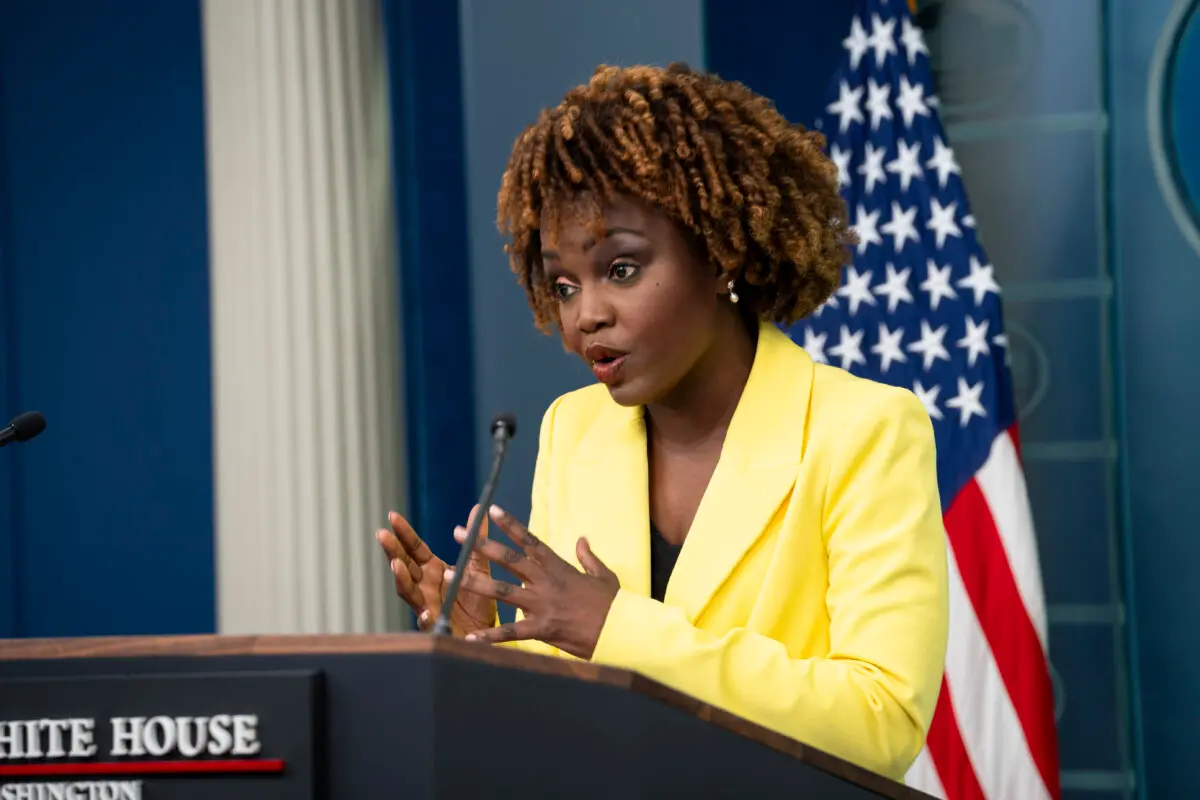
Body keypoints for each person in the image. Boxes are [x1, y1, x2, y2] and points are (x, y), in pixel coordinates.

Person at [376, 62, 948, 783]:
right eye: (563, 284)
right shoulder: (573, 430)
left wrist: (618, 628)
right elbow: (573, 708)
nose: (587, 315)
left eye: (620, 269)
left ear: (719, 254)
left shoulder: (861, 429)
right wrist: (486, 645)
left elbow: (881, 720)